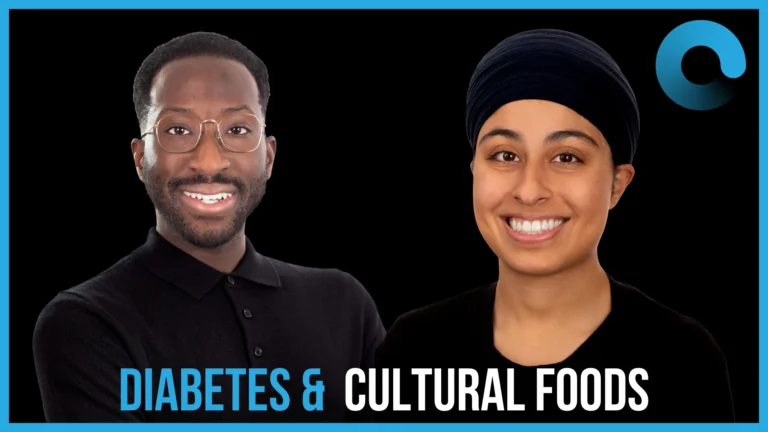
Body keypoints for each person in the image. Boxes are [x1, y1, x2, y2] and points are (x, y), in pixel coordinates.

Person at [374, 29, 735, 422]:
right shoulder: (413, 351)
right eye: (505, 154)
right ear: (475, 171)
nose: (530, 190)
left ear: (617, 184)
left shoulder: (681, 360)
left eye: (566, 157)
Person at [33, 32, 385, 422]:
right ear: (139, 158)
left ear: (268, 157)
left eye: (236, 130)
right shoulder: (86, 322)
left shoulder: (344, 303)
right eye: (178, 130)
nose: (209, 162)